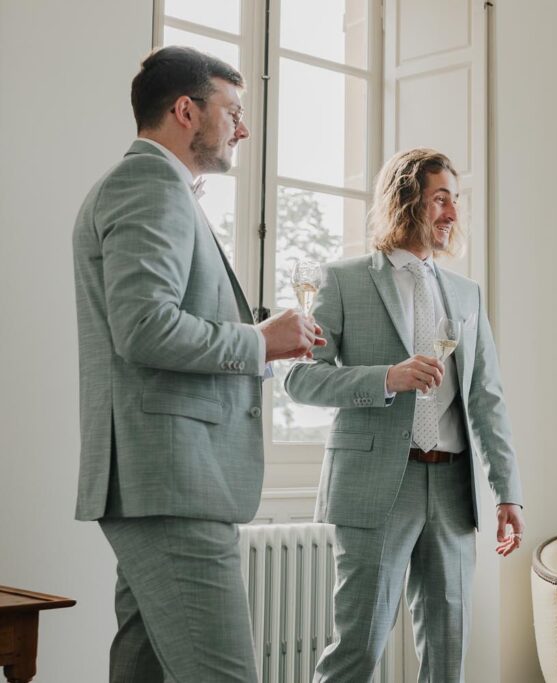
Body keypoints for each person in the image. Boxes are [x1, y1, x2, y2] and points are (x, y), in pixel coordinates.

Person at [72, 46, 322, 682]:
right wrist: (258, 341)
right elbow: (145, 327)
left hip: (160, 478)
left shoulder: (157, 189)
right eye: (232, 111)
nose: (241, 128)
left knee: (142, 671)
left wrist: (264, 345)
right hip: (172, 480)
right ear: (186, 111)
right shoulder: (148, 184)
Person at [284, 147, 525, 683]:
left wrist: (508, 491)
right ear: (406, 198)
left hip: (452, 488)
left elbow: (486, 397)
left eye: (455, 201)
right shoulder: (343, 280)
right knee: (358, 649)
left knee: (447, 653)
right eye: (441, 198)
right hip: (374, 486)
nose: (452, 214)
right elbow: (299, 378)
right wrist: (387, 378)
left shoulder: (466, 294)